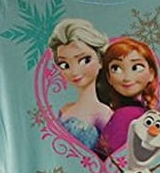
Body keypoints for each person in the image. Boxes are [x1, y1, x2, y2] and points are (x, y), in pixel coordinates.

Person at [48, 18, 113, 150]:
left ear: (100, 60)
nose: (75, 72)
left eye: (85, 60)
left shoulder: (103, 114)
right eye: (65, 65)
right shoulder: (65, 109)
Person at [95, 37, 160, 160]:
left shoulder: (127, 114)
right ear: (109, 77)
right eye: (116, 68)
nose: (127, 78)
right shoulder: (129, 113)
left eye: (136, 67)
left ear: (151, 73)